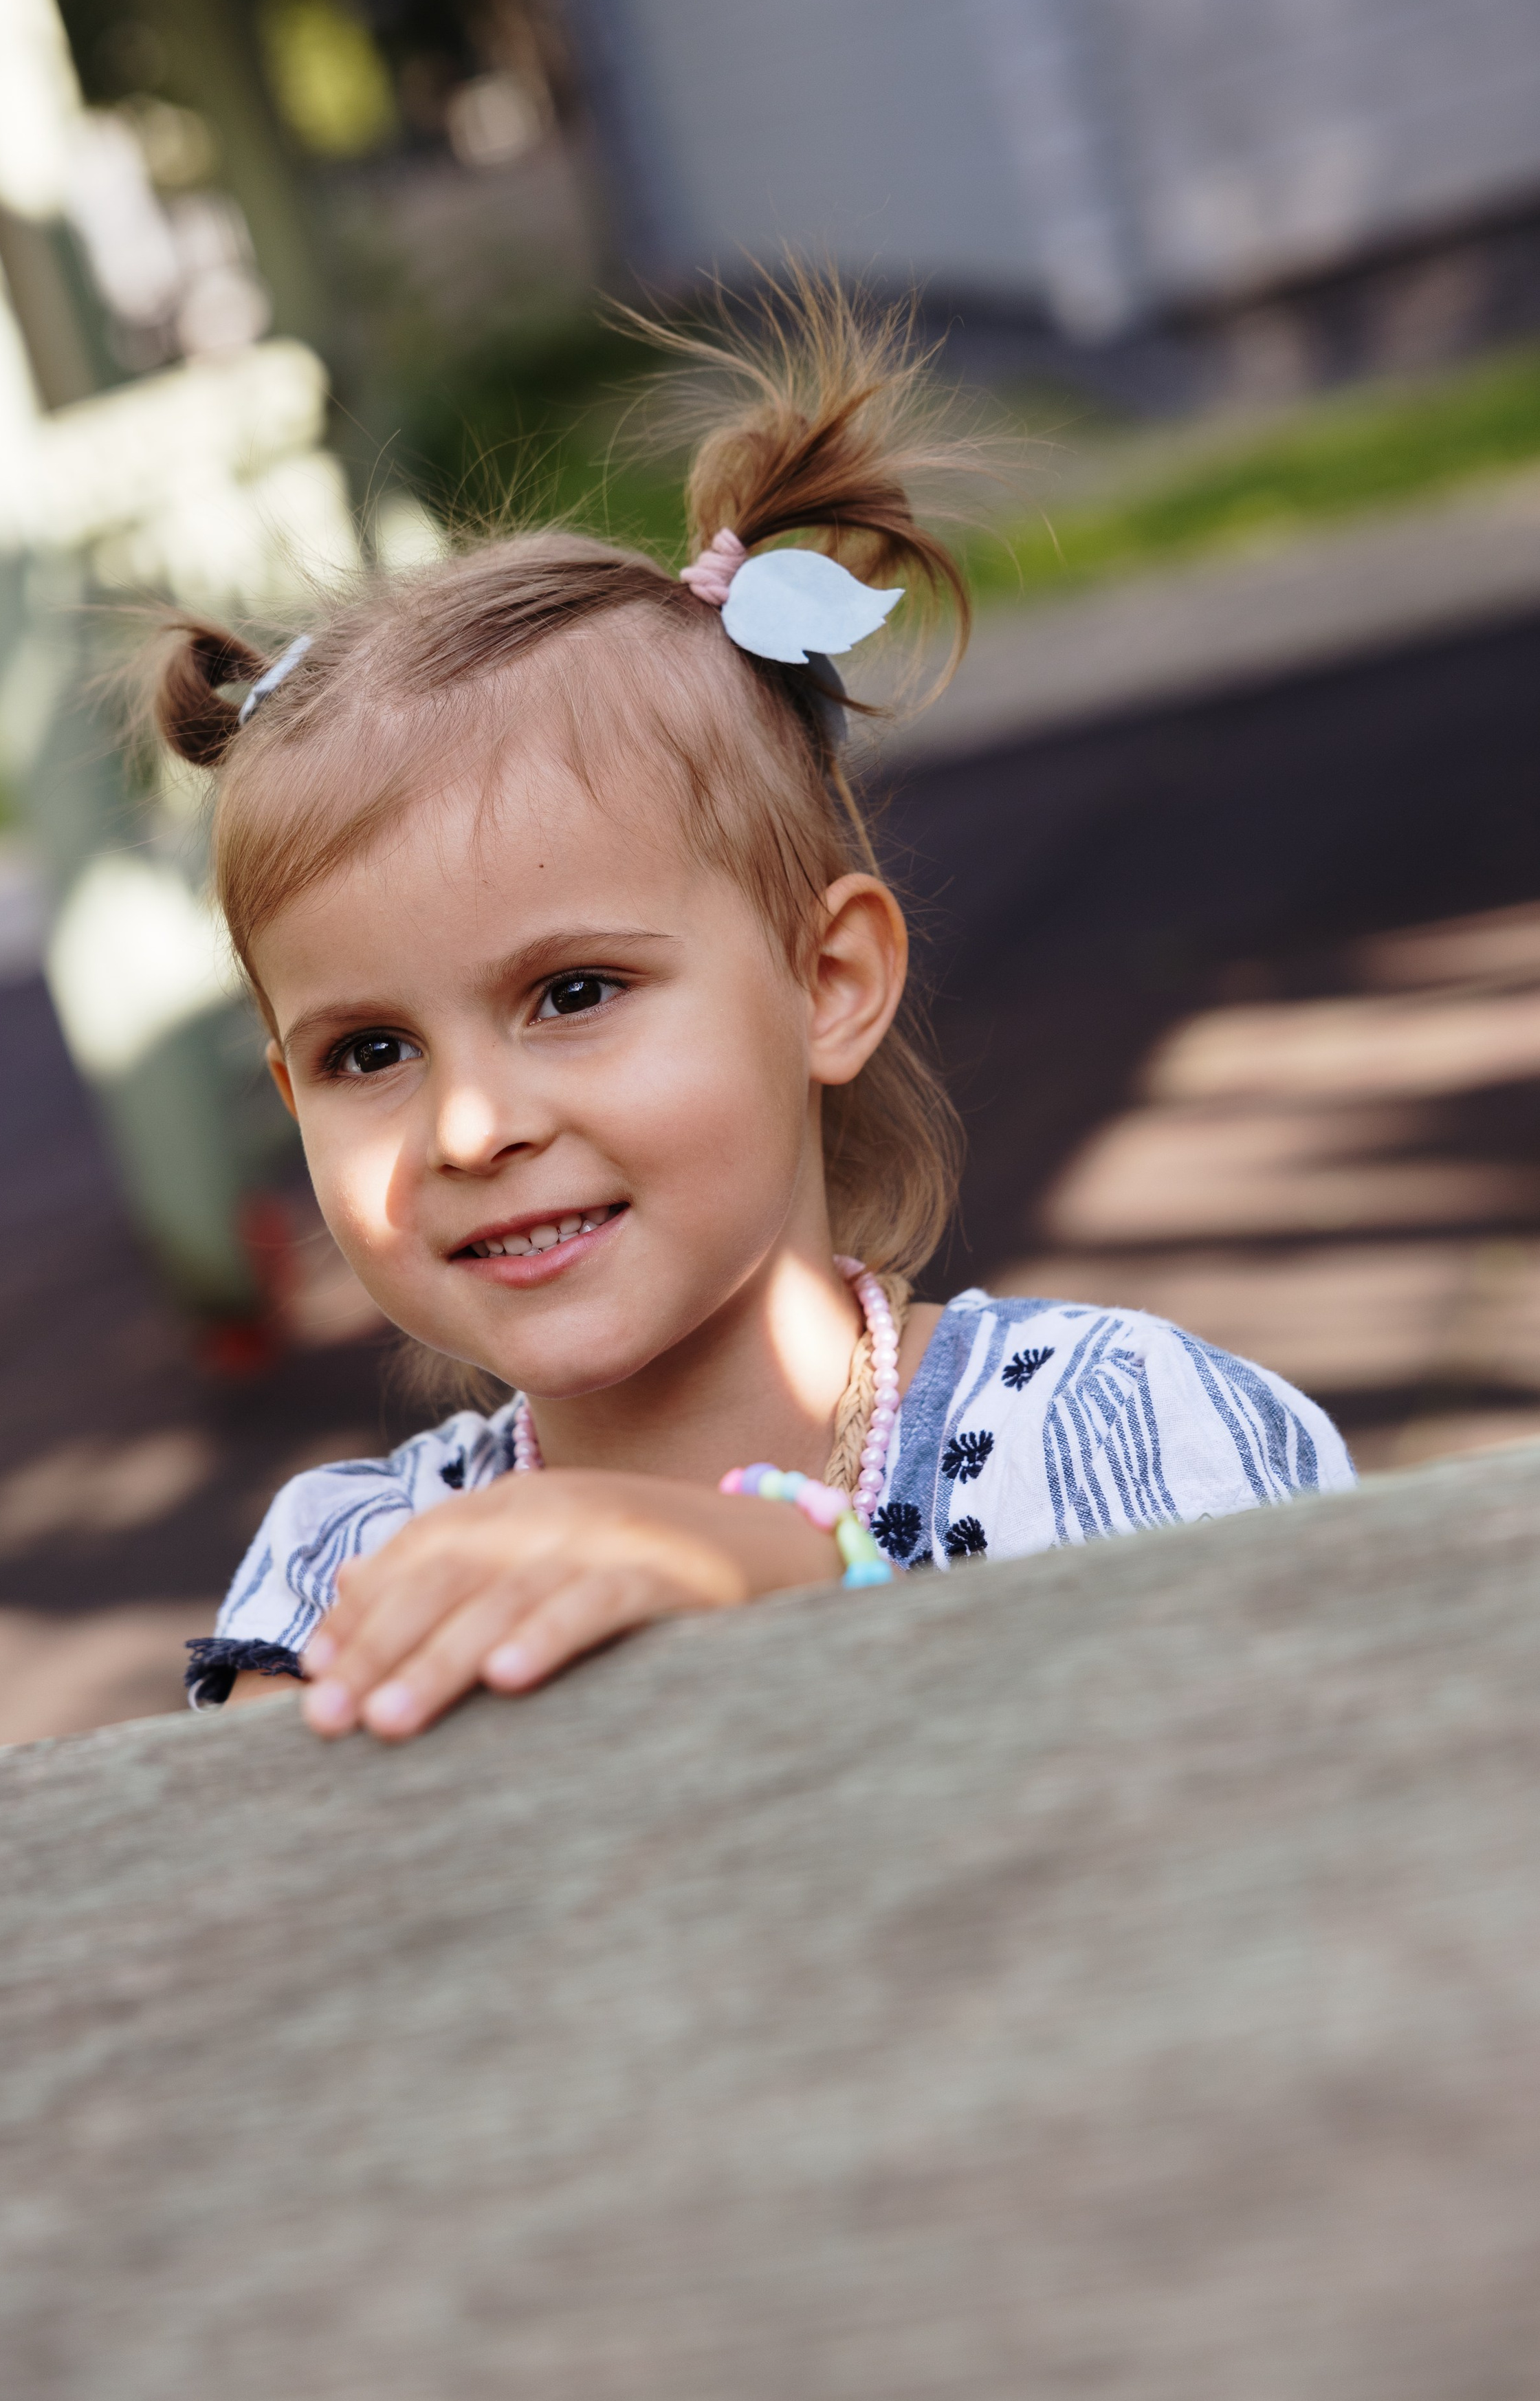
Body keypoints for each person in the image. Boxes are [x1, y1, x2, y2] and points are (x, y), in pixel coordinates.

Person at [157, 276, 1352, 1744]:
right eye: (370, 1052)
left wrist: (778, 1577)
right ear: (291, 1096)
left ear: (825, 982)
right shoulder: (347, 1570)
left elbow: (1289, 1774)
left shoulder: (1105, 1429)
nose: (467, 1125)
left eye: (573, 992)